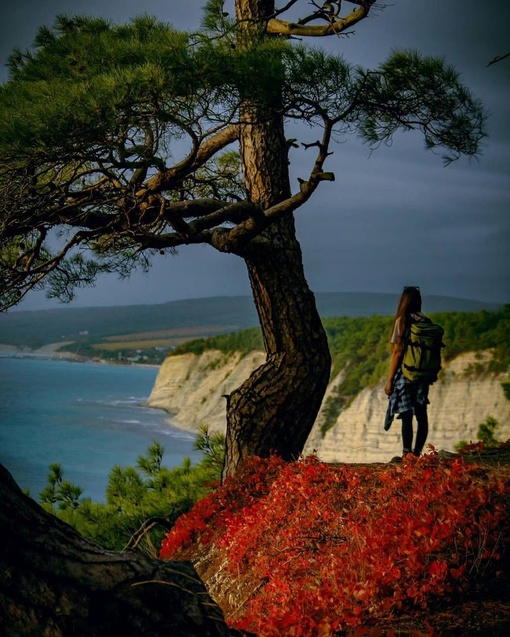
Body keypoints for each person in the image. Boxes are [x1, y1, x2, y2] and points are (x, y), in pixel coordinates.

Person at [384, 286, 430, 457]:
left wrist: (390, 380)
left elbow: (397, 352)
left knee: (406, 414)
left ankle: (406, 455)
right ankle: (417, 453)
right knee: (421, 414)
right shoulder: (425, 321)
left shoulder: (402, 322)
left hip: (405, 374)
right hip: (422, 375)